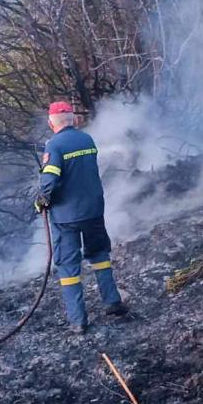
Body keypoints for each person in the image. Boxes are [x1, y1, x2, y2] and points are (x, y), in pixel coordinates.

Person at [35, 101, 127, 334]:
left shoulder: (54, 146)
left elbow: (50, 179)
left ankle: (78, 320)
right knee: (99, 255)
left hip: (67, 216)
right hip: (94, 210)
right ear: (74, 120)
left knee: (68, 264)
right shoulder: (87, 140)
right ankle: (113, 302)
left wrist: (41, 199)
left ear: (50, 123)